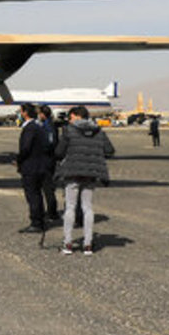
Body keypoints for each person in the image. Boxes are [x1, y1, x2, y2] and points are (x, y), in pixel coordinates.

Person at [55, 105, 115, 255]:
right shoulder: (98, 131)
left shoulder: (69, 131)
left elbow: (58, 152)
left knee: (70, 207)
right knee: (87, 207)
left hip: (72, 172)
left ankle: (67, 243)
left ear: (76, 115)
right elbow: (109, 151)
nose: (69, 120)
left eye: (71, 117)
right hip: (91, 174)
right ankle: (88, 244)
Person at [16, 103, 51, 233]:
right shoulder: (39, 126)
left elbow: (25, 147)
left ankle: (36, 223)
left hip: (31, 167)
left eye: (21, 111)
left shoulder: (30, 128)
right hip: (40, 165)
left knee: (33, 195)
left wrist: (18, 159)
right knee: (37, 195)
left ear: (25, 113)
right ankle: (39, 220)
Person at [38, 105, 62, 222]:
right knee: (49, 187)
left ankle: (52, 212)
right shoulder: (50, 124)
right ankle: (51, 211)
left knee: (48, 187)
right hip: (50, 159)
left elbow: (50, 142)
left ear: (43, 114)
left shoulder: (48, 126)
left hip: (48, 160)